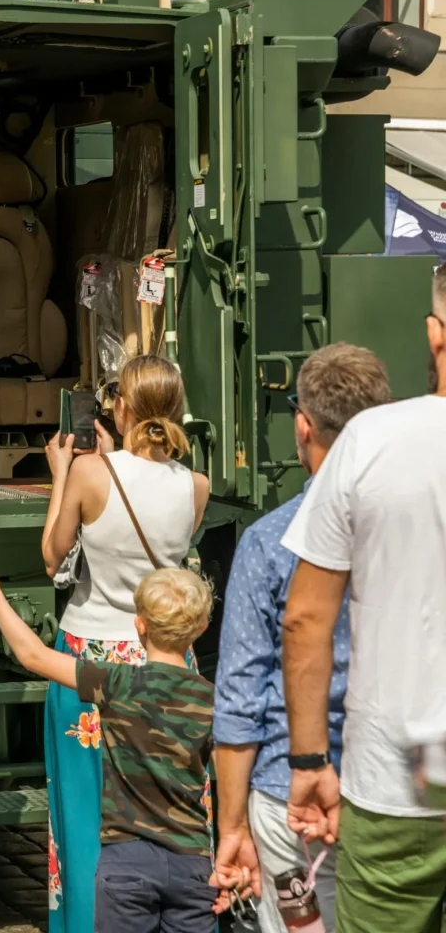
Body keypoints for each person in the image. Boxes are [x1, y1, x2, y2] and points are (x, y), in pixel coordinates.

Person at [281, 261, 446, 933]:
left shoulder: (373, 440)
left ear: (436, 335)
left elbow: (306, 618)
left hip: (397, 777)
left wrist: (310, 760)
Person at [212, 343, 390, 931]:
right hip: (392, 785)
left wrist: (232, 826)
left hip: (290, 799)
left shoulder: (269, 542)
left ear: (303, 426)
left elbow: (241, 697)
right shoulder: (419, 525)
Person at [0, 562, 231, 932]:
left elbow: (33, 656)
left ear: (139, 626)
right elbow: (233, 780)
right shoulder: (213, 701)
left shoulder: (115, 682)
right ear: (201, 629)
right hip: (192, 863)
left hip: (125, 862)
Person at [41, 355, 211, 933]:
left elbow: (53, 556)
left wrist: (63, 469)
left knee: (88, 814)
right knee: (164, 806)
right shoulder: (197, 486)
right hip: (164, 660)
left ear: (121, 405)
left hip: (90, 657)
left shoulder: (92, 472)